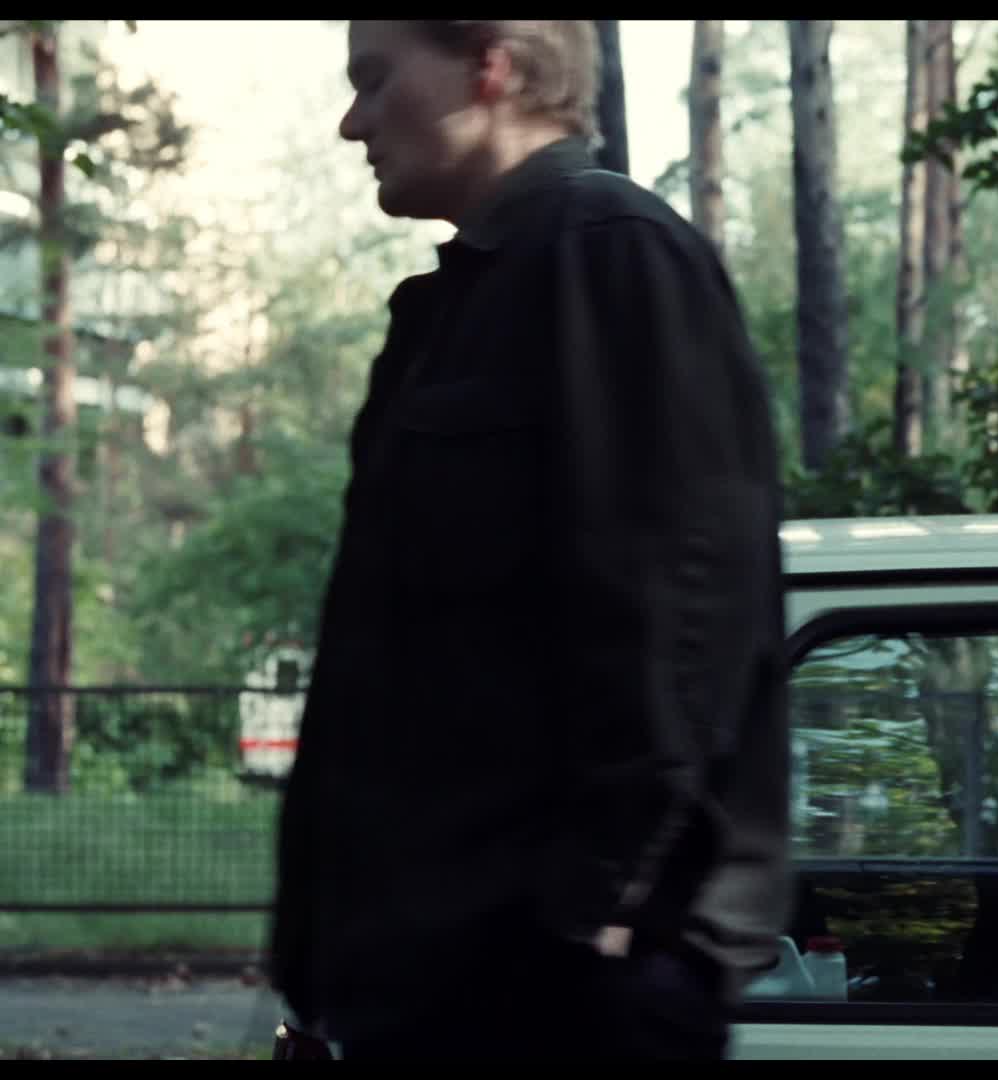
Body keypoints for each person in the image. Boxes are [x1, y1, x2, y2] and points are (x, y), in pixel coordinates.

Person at [267, 20, 790, 1061]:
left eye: (375, 80)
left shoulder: (611, 253)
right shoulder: (455, 305)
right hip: (440, 979)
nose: (352, 123)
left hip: (553, 987)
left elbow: (685, 605)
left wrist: (605, 908)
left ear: (491, 67)